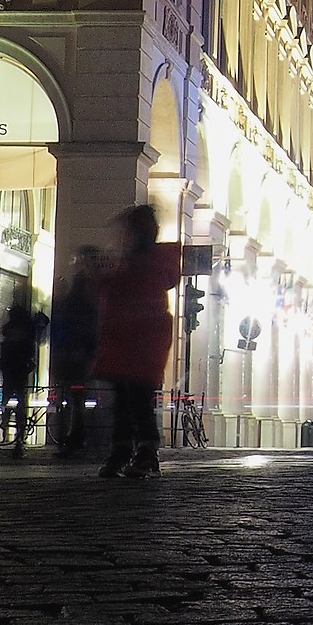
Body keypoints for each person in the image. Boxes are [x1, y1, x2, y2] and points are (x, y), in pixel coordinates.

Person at [92, 204, 182, 480]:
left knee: (137, 401)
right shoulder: (139, 261)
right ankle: (128, 451)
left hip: (138, 344)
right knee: (126, 401)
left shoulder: (144, 263)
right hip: (126, 343)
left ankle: (142, 452)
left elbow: (128, 294)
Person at [51, 247, 102, 457]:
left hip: (77, 355)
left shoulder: (82, 290)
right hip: (80, 354)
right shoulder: (88, 288)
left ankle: (75, 437)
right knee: (76, 398)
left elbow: (75, 321)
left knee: (75, 399)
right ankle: (77, 436)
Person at [0, 282, 43, 456]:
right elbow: (31, 346)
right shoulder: (27, 328)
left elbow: (4, 343)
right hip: (20, 369)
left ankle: (5, 432)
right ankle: (19, 437)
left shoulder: (9, 327)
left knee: (7, 400)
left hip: (9, 368)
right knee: (21, 402)